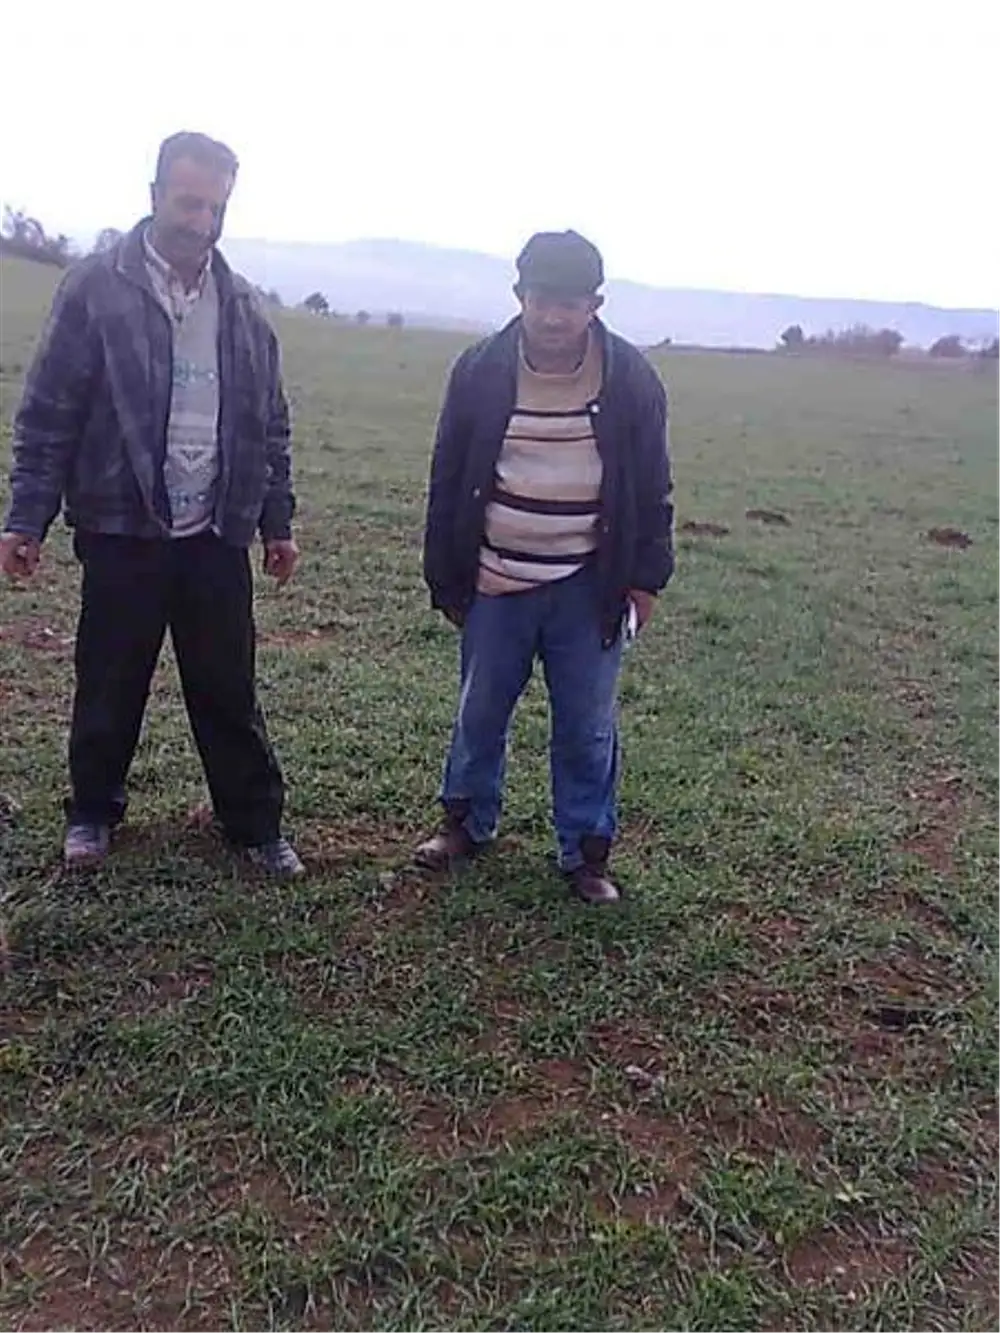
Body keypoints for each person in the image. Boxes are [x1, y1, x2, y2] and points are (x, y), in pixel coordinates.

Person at [0, 131, 304, 877]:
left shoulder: (241, 304)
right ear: (155, 195)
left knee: (227, 687)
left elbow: (268, 422)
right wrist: (26, 516)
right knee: (110, 679)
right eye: (188, 203)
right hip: (121, 526)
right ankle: (91, 813)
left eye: (215, 207)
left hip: (215, 532)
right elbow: (50, 411)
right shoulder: (95, 289)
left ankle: (254, 824)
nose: (201, 222)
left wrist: (277, 522)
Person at [416, 230, 674, 903]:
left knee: (587, 726)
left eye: (570, 303)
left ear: (595, 305)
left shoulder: (631, 379)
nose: (554, 317)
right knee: (479, 713)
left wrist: (646, 580)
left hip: (589, 586)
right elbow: (448, 476)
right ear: (519, 296)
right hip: (494, 578)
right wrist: (445, 575)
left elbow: (653, 488)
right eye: (541, 300)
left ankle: (586, 854)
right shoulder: (479, 369)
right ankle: (464, 825)